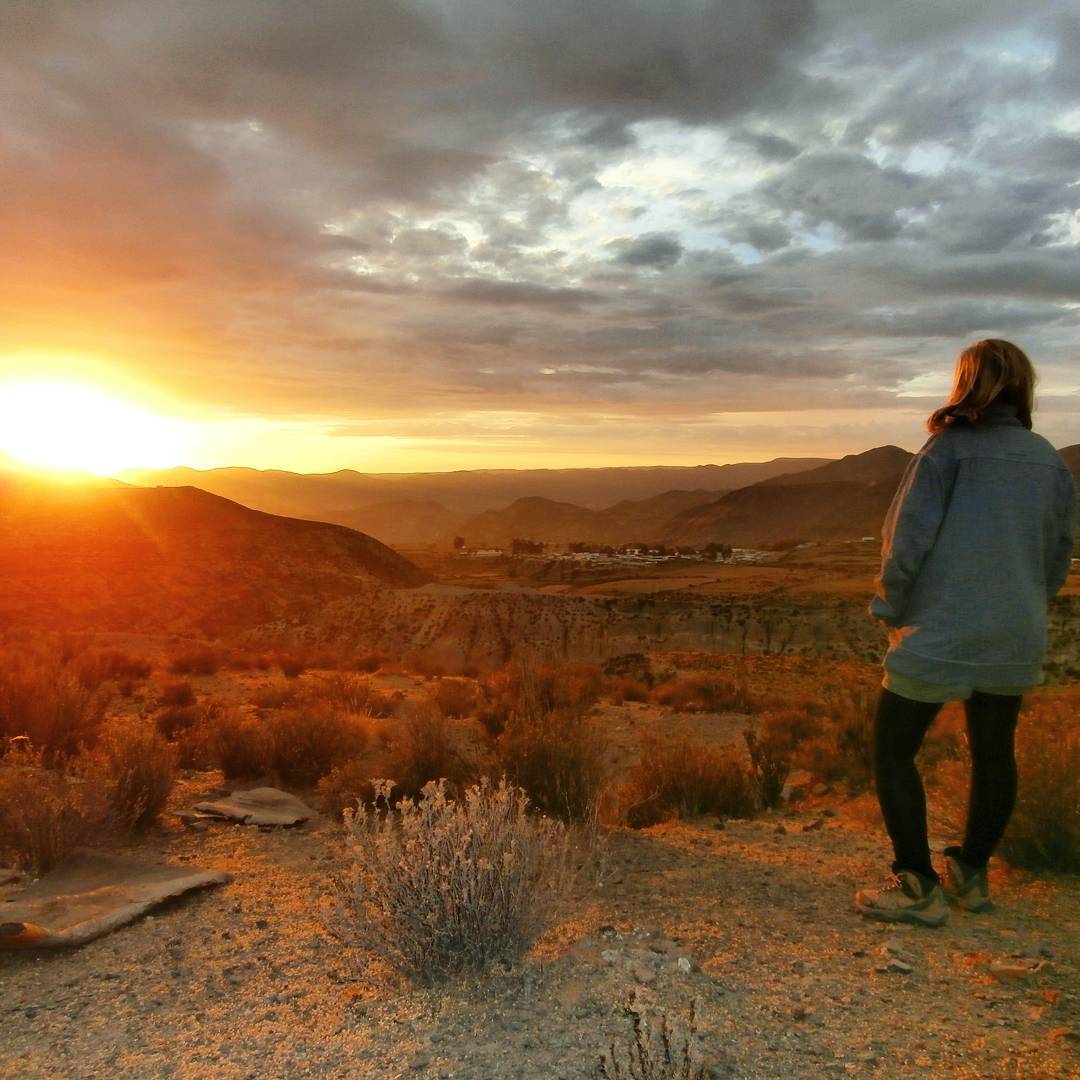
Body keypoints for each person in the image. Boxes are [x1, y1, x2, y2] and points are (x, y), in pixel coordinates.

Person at [856, 339, 1077, 926]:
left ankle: (916, 886)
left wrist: (891, 606)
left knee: (894, 750)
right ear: (1021, 387)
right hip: (1015, 630)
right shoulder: (1047, 458)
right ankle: (971, 874)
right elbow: (1060, 550)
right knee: (994, 751)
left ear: (967, 382)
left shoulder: (947, 451)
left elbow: (907, 540)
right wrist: (1027, 603)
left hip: (943, 630)